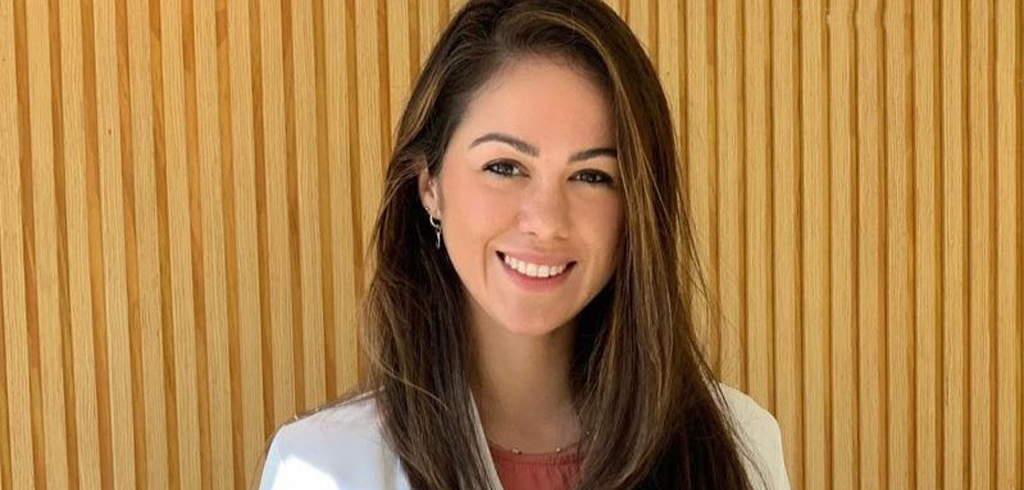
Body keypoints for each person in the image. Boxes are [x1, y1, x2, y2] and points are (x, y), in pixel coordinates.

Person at [259, 0, 789, 488]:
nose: (546, 221)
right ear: (429, 186)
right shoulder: (322, 467)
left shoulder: (741, 447)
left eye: (592, 176)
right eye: (505, 167)